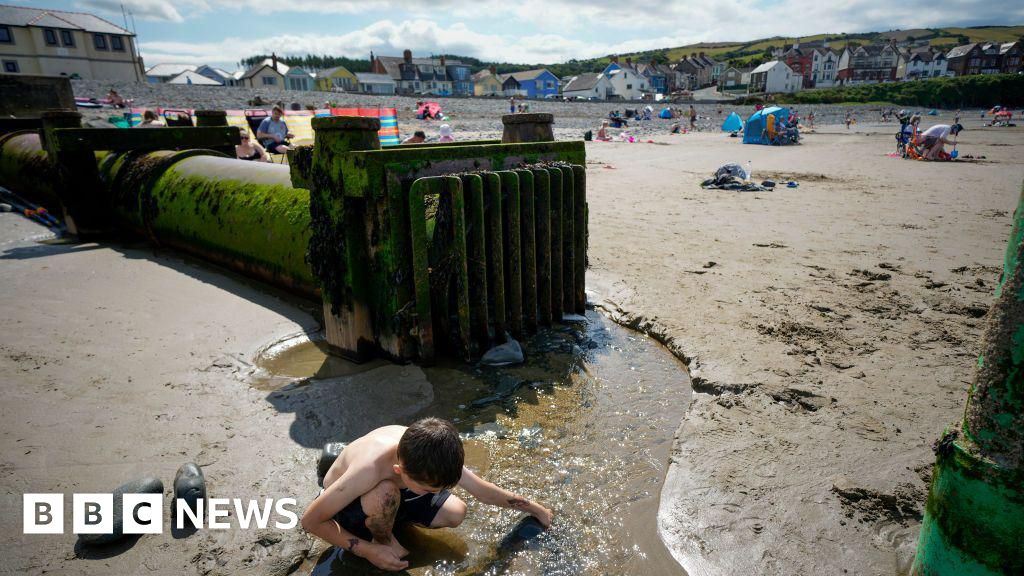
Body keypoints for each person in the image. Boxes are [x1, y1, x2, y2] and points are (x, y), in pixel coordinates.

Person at [301, 418, 554, 572]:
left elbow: (484, 492)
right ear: (400, 470)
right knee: (386, 493)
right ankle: (382, 539)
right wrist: (366, 551)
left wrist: (535, 509)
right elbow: (310, 521)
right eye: (431, 490)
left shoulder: (434, 452)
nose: (438, 493)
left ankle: (392, 519)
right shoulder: (369, 469)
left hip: (397, 491)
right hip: (352, 503)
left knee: (456, 512)